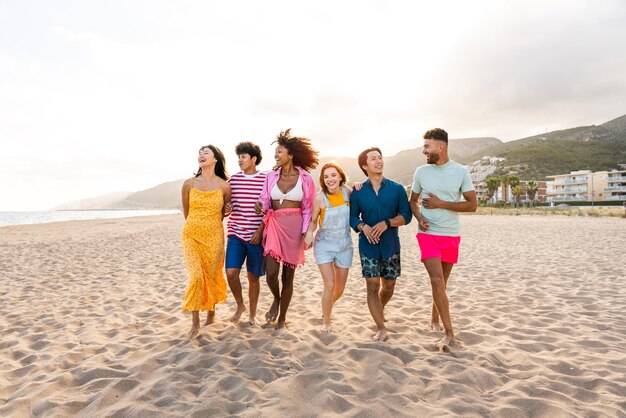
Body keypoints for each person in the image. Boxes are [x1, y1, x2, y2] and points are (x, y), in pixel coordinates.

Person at [409, 128, 477, 350]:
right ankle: (449, 332)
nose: (424, 151)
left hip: (450, 234)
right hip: (428, 234)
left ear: (441, 147)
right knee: (436, 280)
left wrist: (442, 204)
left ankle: (435, 318)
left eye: (427, 146)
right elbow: (413, 201)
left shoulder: (460, 171)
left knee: (442, 282)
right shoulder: (421, 172)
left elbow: (472, 205)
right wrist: (419, 217)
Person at [255, 129, 318, 330]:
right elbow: (265, 200)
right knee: (271, 273)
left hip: (295, 227)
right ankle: (277, 298)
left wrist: (306, 231)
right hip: (274, 225)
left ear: (290, 154)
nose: (276, 156)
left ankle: (282, 317)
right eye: (275, 153)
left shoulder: (306, 178)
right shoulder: (270, 176)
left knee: (288, 276)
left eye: (279, 152)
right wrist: (261, 206)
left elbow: (308, 206)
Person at [350, 147, 412, 341]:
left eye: (380, 157)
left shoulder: (397, 189)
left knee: (389, 286)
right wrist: (362, 226)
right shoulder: (358, 191)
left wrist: (387, 223)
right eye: (373, 159)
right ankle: (381, 327)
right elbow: (352, 216)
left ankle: (379, 309)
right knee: (372, 285)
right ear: (364, 166)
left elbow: (406, 216)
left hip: (391, 245)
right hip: (367, 245)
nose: (379, 161)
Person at [181, 145, 231, 340]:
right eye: (200, 152)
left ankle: (211, 311)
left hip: (214, 236)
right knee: (196, 277)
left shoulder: (224, 186)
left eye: (205, 152)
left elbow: (222, 215)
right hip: (191, 235)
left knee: (211, 275)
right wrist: (196, 225)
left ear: (215, 159)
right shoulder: (189, 184)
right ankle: (195, 322)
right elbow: (187, 212)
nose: (201, 155)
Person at [304, 162, 353, 333]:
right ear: (323, 180)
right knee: (330, 284)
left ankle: (326, 306)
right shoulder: (319, 198)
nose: (330, 179)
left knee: (339, 289)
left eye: (333, 175)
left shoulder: (348, 192)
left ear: (340, 177)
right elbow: (313, 221)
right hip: (324, 244)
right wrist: (309, 233)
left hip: (345, 245)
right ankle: (326, 321)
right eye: (326, 176)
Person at [225, 142, 267, 326]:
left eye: (243, 156)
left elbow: (271, 209)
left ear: (254, 159)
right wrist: (227, 208)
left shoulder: (266, 179)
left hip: (257, 236)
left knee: (253, 278)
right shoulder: (233, 180)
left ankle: (252, 314)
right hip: (236, 234)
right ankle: (240, 305)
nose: (240, 160)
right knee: (231, 272)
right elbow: (227, 208)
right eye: (238, 157)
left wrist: (260, 231)